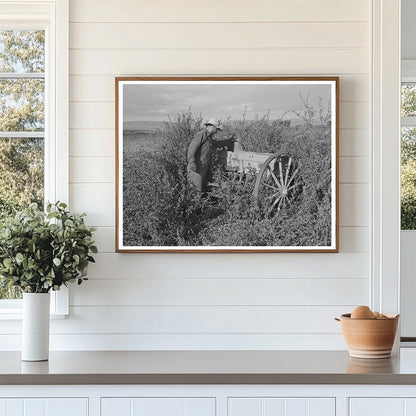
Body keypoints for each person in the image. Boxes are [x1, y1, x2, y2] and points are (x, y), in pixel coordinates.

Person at [187, 118, 235, 194]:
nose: (216, 132)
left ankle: (198, 205)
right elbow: (191, 150)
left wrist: (229, 140)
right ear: (213, 127)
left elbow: (217, 144)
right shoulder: (202, 134)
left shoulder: (209, 138)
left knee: (200, 191)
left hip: (202, 168)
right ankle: (193, 205)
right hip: (196, 169)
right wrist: (192, 163)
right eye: (216, 129)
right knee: (195, 192)